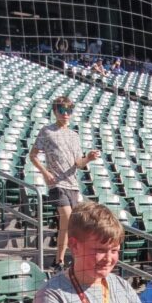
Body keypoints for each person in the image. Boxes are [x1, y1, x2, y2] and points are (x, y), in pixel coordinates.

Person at [29, 96, 100, 273]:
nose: (66, 114)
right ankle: (62, 260)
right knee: (67, 219)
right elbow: (33, 155)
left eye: (69, 111)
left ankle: (61, 260)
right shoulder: (47, 131)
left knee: (70, 224)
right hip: (57, 183)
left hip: (73, 184)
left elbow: (79, 163)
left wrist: (89, 158)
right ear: (55, 112)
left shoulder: (74, 135)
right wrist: (45, 173)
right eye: (62, 110)